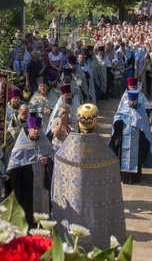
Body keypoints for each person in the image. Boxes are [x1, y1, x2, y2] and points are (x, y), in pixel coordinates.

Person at [52, 104, 126, 249]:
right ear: (95, 122)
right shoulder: (105, 153)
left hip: (73, 209)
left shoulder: (63, 152)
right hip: (95, 208)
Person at [6, 116, 54, 228]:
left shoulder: (45, 142)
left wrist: (47, 160)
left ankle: (42, 227)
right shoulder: (21, 145)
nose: (36, 131)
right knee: (27, 207)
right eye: (34, 128)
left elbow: (52, 154)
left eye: (38, 128)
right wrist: (8, 176)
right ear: (28, 129)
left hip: (42, 184)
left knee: (42, 209)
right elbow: (14, 164)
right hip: (27, 183)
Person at [108, 90, 152, 184]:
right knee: (123, 158)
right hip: (124, 139)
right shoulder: (123, 109)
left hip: (137, 142)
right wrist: (118, 122)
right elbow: (117, 118)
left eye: (134, 101)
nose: (132, 102)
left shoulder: (141, 111)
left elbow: (145, 126)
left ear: (137, 100)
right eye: (130, 101)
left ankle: (135, 178)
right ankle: (123, 177)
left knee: (137, 159)